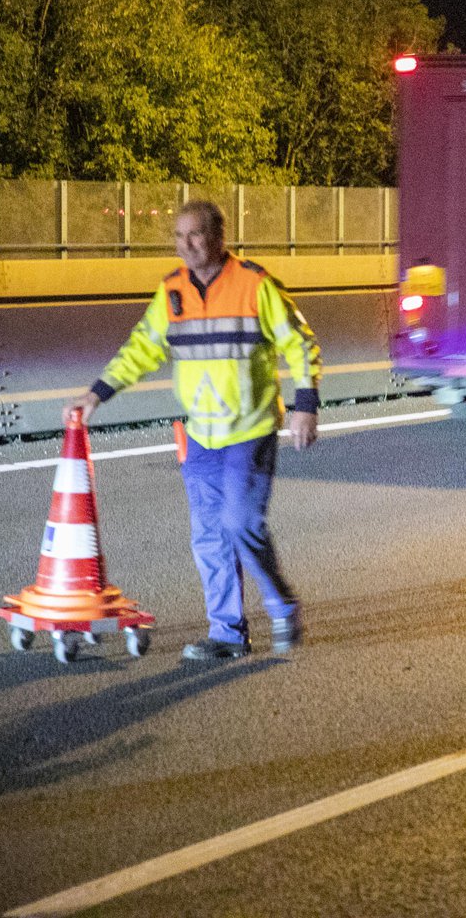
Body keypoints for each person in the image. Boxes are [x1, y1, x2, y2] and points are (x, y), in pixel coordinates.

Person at [69, 200, 321, 659]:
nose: (186, 245)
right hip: (200, 434)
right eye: (178, 236)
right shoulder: (172, 292)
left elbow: (298, 342)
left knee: (240, 523)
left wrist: (306, 405)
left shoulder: (255, 284)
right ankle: (226, 634)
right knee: (209, 536)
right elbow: (143, 347)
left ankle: (281, 604)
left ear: (219, 237)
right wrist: (97, 393)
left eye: (196, 235)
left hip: (249, 429)